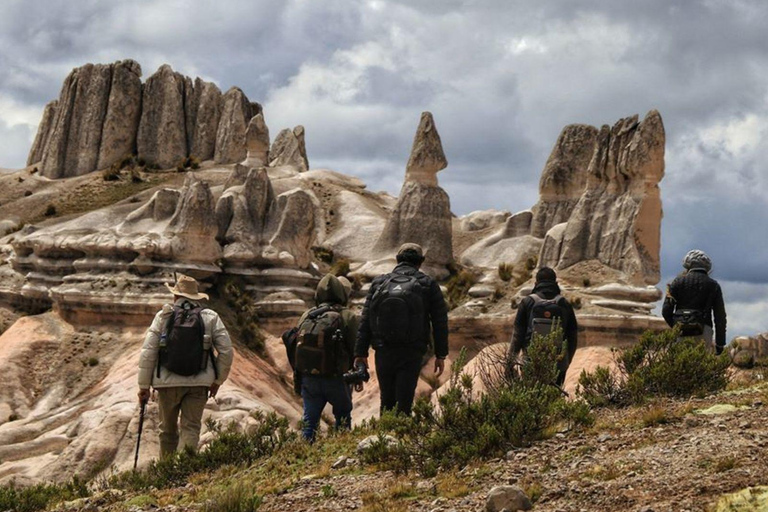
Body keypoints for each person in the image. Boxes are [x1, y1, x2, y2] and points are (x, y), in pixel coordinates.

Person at [137, 274, 233, 458]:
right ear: (196, 297)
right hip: (199, 384)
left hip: (166, 384)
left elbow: (148, 352)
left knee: (167, 431)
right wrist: (218, 380)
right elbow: (227, 351)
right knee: (191, 428)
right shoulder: (210, 317)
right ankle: (183, 471)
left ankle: (166, 476)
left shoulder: (163, 316)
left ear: (175, 297)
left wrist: (143, 386)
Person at [354, 243, 449, 415]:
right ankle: (401, 437)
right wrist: (441, 354)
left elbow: (366, 319)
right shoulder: (427, 284)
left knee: (387, 399)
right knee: (404, 399)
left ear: (397, 260)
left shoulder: (379, 282)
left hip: (383, 349)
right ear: (421, 262)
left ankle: (383, 438)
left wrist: (360, 353)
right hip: (411, 351)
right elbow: (440, 322)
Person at [292, 274, 359, 442]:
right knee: (343, 418)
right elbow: (355, 348)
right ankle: (340, 455)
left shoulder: (307, 315)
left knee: (309, 421)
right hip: (337, 378)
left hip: (309, 378)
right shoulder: (347, 316)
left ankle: (304, 458)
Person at [508, 267, 578, 387]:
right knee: (554, 398)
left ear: (536, 283)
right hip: (558, 363)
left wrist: (510, 363)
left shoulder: (527, 303)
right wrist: (566, 362)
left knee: (530, 397)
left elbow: (517, 336)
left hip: (531, 361)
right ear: (556, 283)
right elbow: (573, 338)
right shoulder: (564, 304)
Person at [662, 249, 727, 354]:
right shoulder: (714, 285)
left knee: (680, 366)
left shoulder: (677, 282)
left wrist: (677, 326)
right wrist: (720, 343)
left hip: (680, 331)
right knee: (701, 366)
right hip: (704, 330)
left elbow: (666, 311)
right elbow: (720, 317)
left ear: (687, 265)